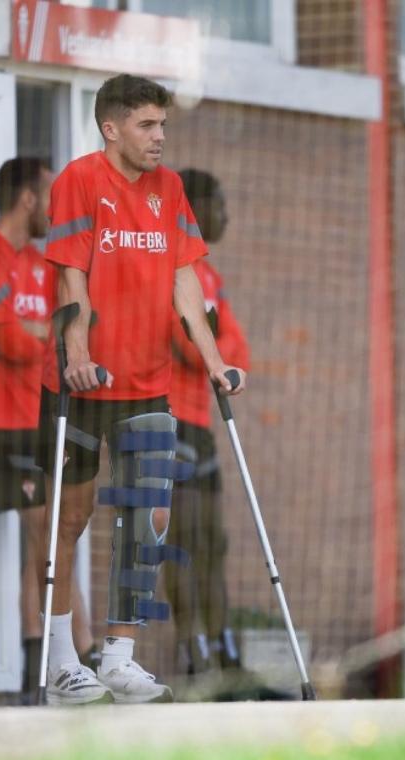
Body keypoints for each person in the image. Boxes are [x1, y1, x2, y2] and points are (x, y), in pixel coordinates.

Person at [36, 73, 246, 705]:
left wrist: (214, 360)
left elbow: (188, 283)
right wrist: (77, 353)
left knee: (148, 517)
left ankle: (119, 657)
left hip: (147, 386)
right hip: (83, 382)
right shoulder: (79, 181)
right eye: (147, 126)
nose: (159, 138)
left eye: (163, 126)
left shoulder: (170, 188)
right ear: (112, 128)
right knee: (69, 518)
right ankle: (60, 658)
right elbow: (72, 277)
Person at [0, 157, 95, 703]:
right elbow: (7, 341)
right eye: (49, 196)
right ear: (28, 200)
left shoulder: (40, 263)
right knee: (46, 532)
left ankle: (61, 655)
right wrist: (32, 334)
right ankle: (64, 659)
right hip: (2, 418)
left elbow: (56, 335)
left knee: (55, 532)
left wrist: (31, 331)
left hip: (38, 411)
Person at [162, 169, 250, 677]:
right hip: (174, 418)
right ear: (194, 209)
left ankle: (225, 651)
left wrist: (219, 355)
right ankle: (190, 647)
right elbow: (194, 347)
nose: (227, 215)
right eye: (218, 203)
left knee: (215, 542)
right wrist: (215, 353)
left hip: (206, 420)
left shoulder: (209, 276)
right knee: (186, 541)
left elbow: (236, 350)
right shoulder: (177, 272)